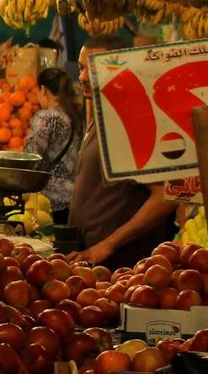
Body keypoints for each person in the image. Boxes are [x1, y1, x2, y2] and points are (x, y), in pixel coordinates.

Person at [65, 35, 176, 269]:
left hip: (121, 265)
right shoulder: (105, 114)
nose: (83, 77)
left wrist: (108, 244)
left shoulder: (132, 122)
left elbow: (166, 195)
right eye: (82, 68)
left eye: (93, 69)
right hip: (93, 260)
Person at [24, 67, 83, 224]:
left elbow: (31, 158)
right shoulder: (74, 114)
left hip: (51, 200)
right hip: (74, 196)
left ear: (43, 89)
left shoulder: (47, 118)